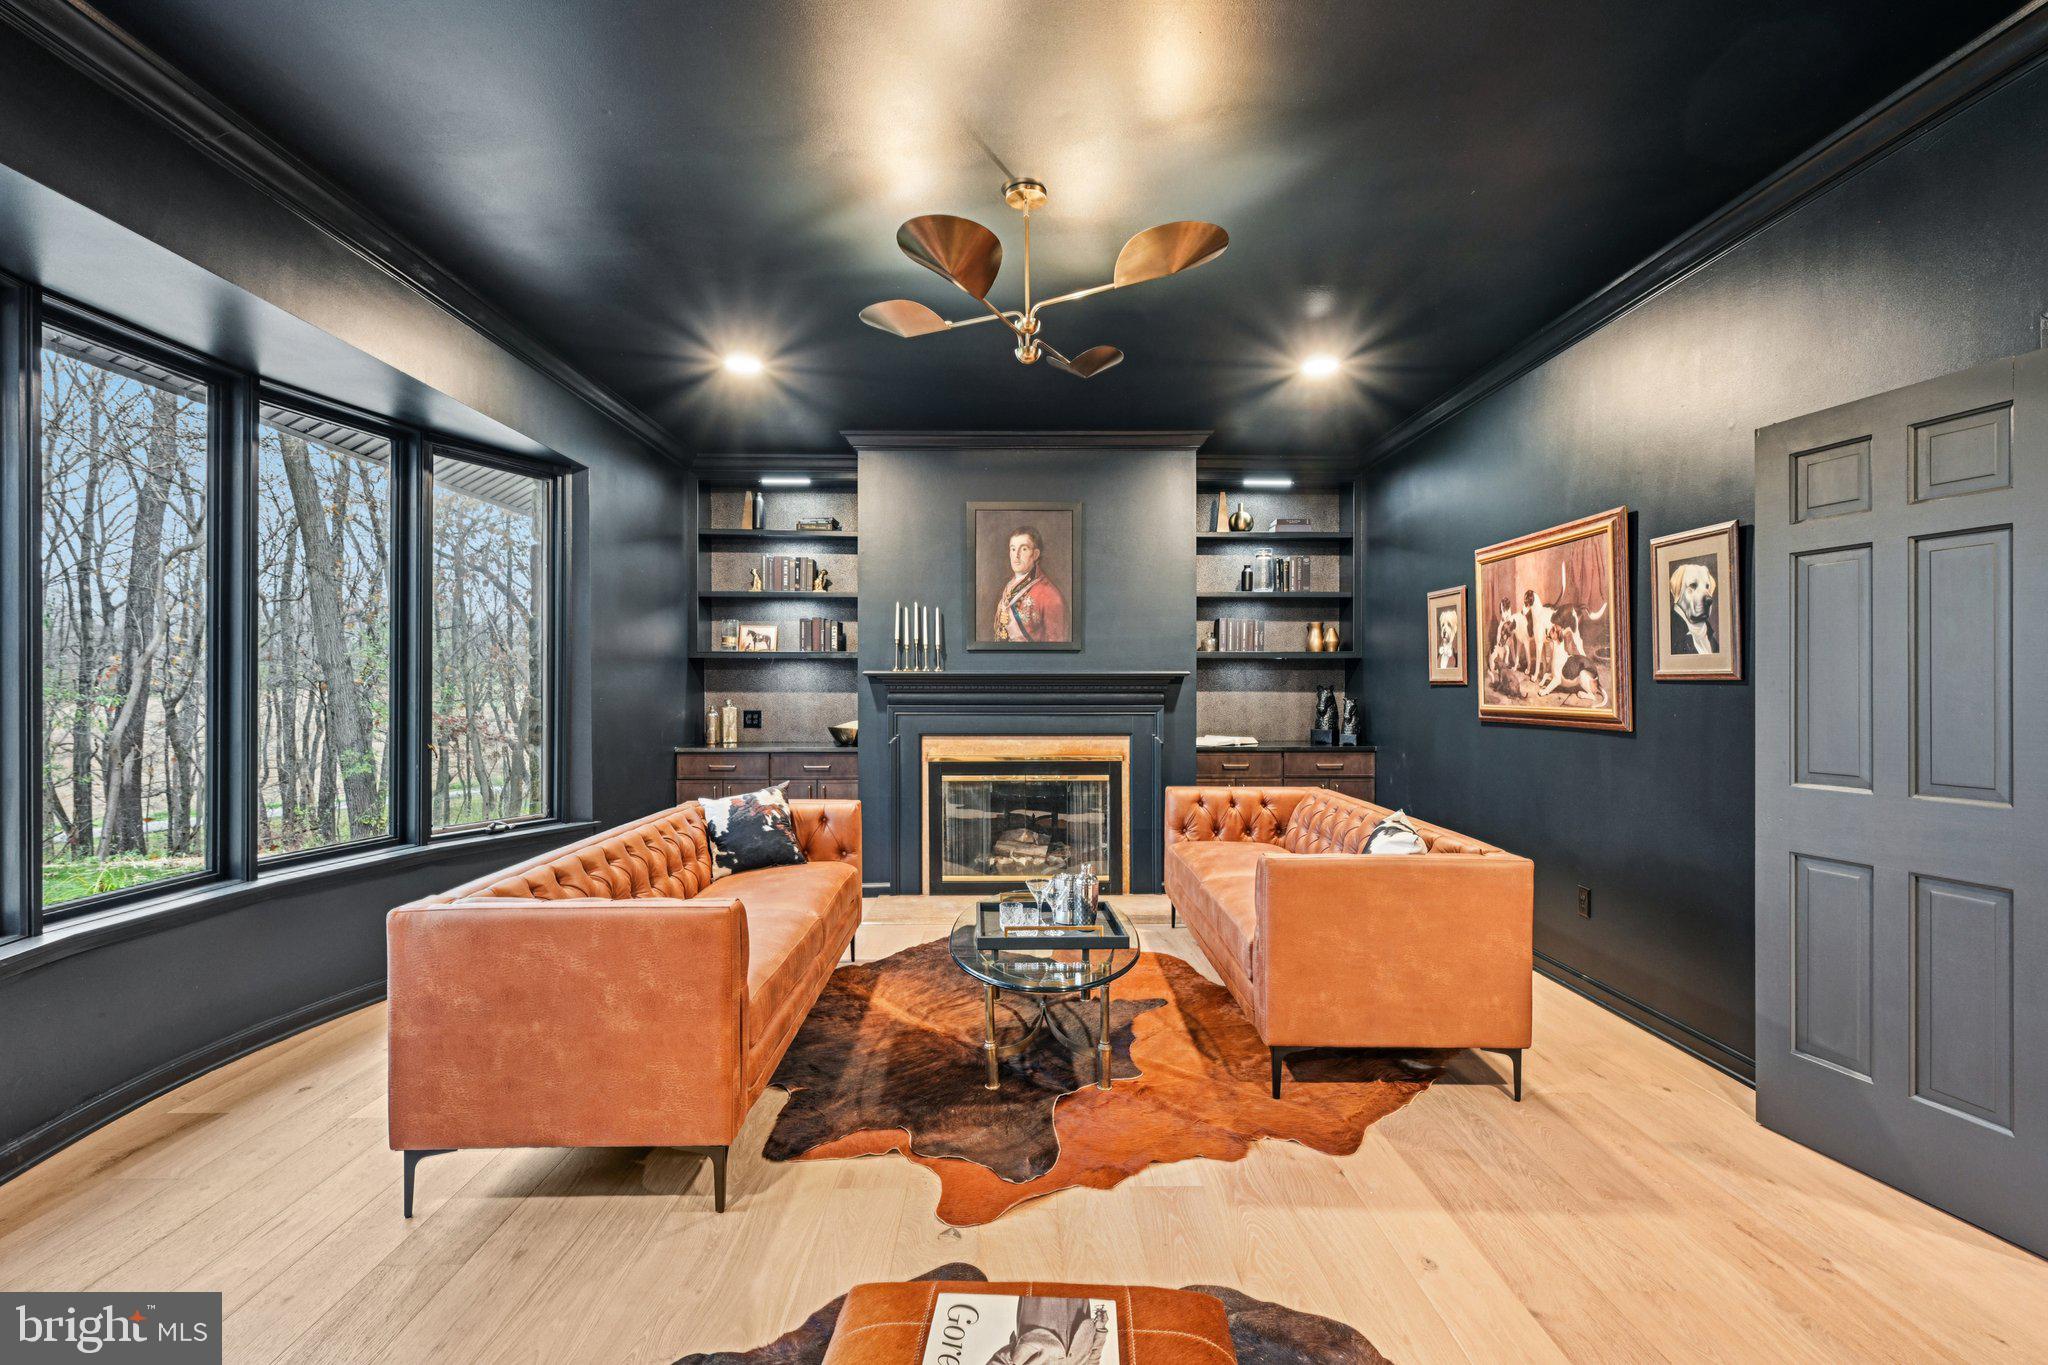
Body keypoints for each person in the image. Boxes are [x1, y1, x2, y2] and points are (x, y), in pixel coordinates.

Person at [993, 526, 1068, 642]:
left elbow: (1057, 645)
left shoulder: (1051, 595)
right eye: (1013, 549)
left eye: (1023, 549)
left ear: (1036, 554)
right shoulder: (1009, 586)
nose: (1016, 555)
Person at [984, 1297, 1106, 1365]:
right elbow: (1093, 1362)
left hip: (1040, 1324)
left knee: (1041, 1272)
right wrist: (1100, 1329)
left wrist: (1018, 1353)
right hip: (1078, 1322)